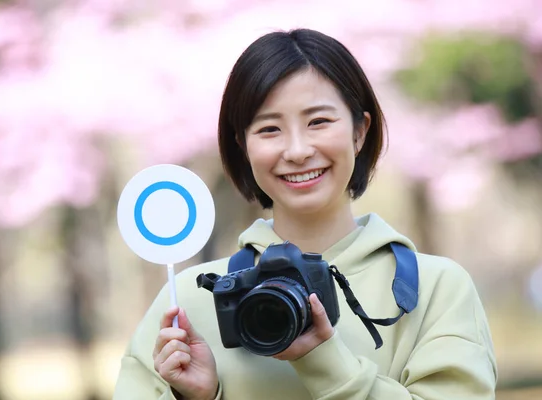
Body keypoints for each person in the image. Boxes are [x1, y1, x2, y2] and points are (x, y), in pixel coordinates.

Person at [113, 28, 498, 400]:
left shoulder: (432, 289)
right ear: (242, 145)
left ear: (360, 131)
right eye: (269, 129)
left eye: (318, 122)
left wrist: (324, 360)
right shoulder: (186, 303)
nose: (297, 151)